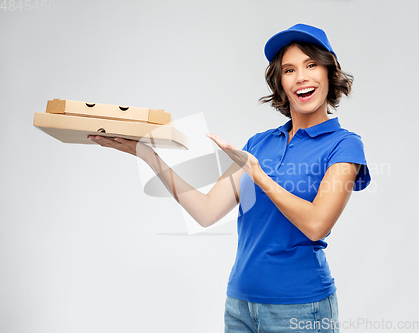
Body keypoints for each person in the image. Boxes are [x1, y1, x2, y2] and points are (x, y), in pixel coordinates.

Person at [88, 23, 370, 333]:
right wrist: (148, 155)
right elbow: (206, 212)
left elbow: (317, 225)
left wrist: (259, 176)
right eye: (289, 70)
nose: (301, 76)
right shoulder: (259, 144)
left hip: (300, 308)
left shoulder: (344, 145)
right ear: (281, 82)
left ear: (329, 72)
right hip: (240, 305)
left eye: (311, 64)